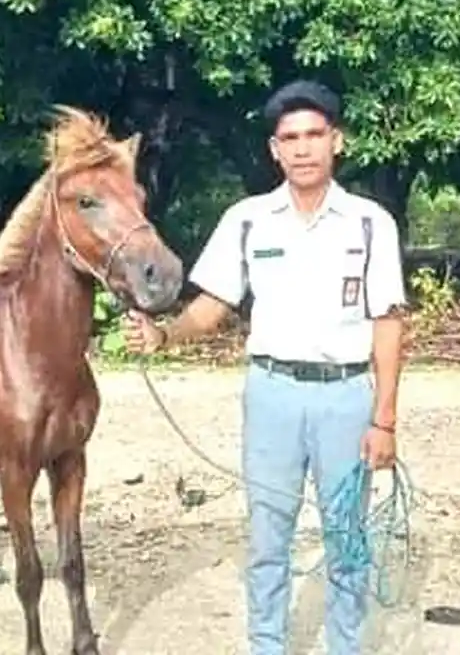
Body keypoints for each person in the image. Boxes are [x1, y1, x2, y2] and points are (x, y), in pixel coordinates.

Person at [121, 79, 412, 655]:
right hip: (271, 395)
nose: (303, 149)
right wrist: (163, 334)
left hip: (345, 397)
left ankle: (345, 647)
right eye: (290, 139)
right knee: (268, 540)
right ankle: (267, 645)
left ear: (336, 141)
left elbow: (388, 322)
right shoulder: (249, 220)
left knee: (347, 540)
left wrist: (384, 420)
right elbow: (212, 306)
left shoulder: (369, 222)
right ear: (274, 150)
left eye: (314, 135)